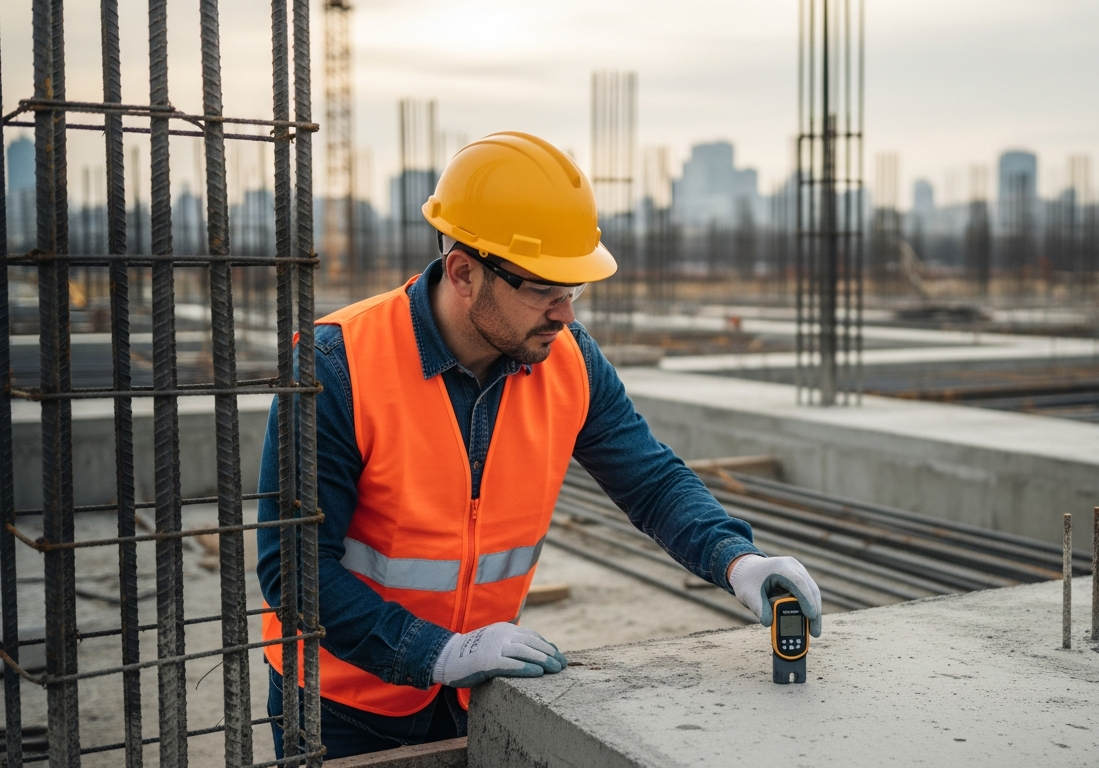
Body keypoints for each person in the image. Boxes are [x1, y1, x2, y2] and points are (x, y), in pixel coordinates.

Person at [254, 131, 823, 760]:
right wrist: (435, 651)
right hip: (341, 706)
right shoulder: (338, 366)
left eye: (573, 289)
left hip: (477, 693)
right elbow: (297, 570)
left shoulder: (570, 362)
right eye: (545, 289)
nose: (565, 313)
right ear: (465, 272)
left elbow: (652, 483)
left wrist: (738, 559)